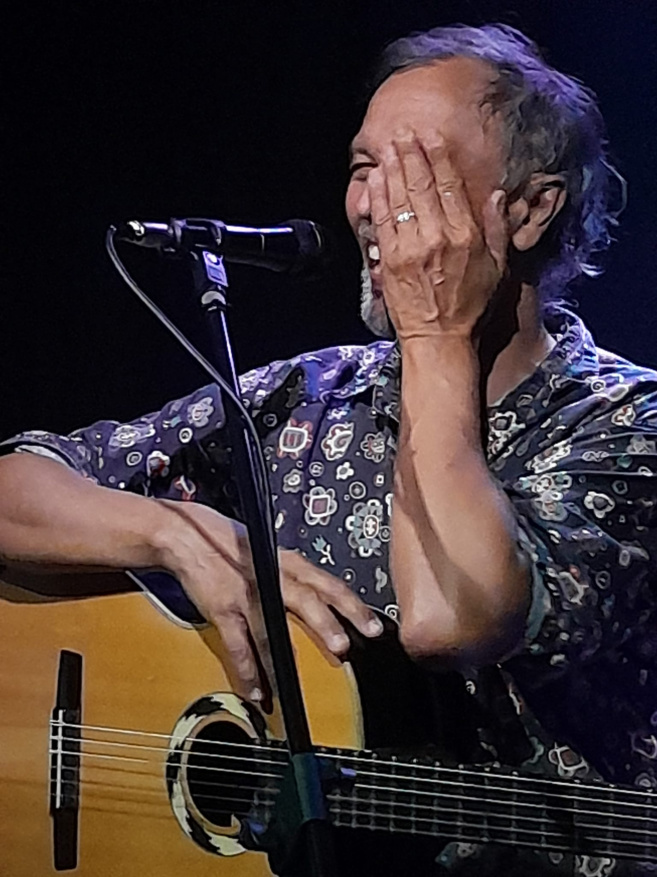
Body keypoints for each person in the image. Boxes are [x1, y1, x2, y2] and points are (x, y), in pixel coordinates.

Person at [0, 22, 655, 876]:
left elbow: (448, 620)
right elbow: (19, 483)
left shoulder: (628, 423)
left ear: (529, 207)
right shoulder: (307, 392)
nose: (372, 205)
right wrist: (180, 535)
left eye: (413, 167)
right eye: (360, 168)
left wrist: (432, 333)